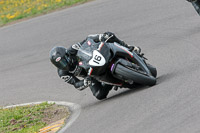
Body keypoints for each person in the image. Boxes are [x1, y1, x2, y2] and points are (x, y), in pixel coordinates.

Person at [50, 32, 141, 100]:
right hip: (91, 75)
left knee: (109, 35)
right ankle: (112, 82)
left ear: (67, 55)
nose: (64, 65)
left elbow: (88, 40)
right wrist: (85, 82)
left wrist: (99, 37)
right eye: (60, 64)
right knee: (99, 95)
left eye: (64, 61)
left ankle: (128, 47)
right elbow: (76, 84)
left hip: (94, 59)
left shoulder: (73, 49)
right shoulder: (62, 73)